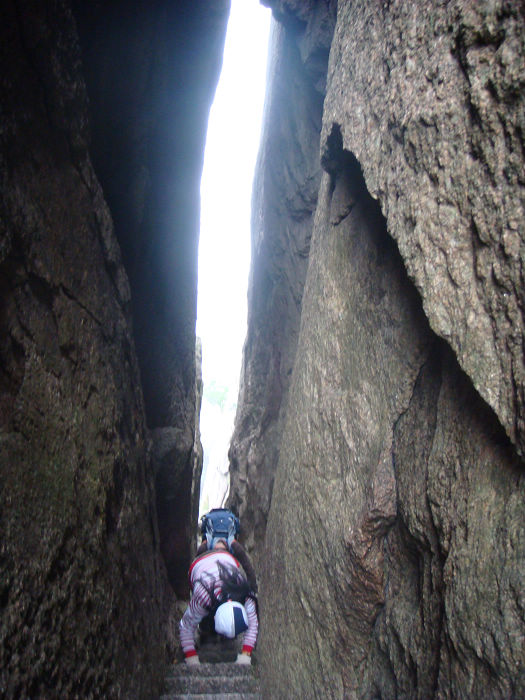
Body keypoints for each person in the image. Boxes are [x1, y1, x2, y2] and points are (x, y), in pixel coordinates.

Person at [179, 539, 258, 665]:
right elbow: (186, 626)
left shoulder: (245, 594)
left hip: (227, 561)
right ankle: (207, 630)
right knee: (203, 615)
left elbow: (253, 623)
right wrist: (191, 657)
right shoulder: (202, 596)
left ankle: (223, 637)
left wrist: (246, 654)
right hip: (201, 564)